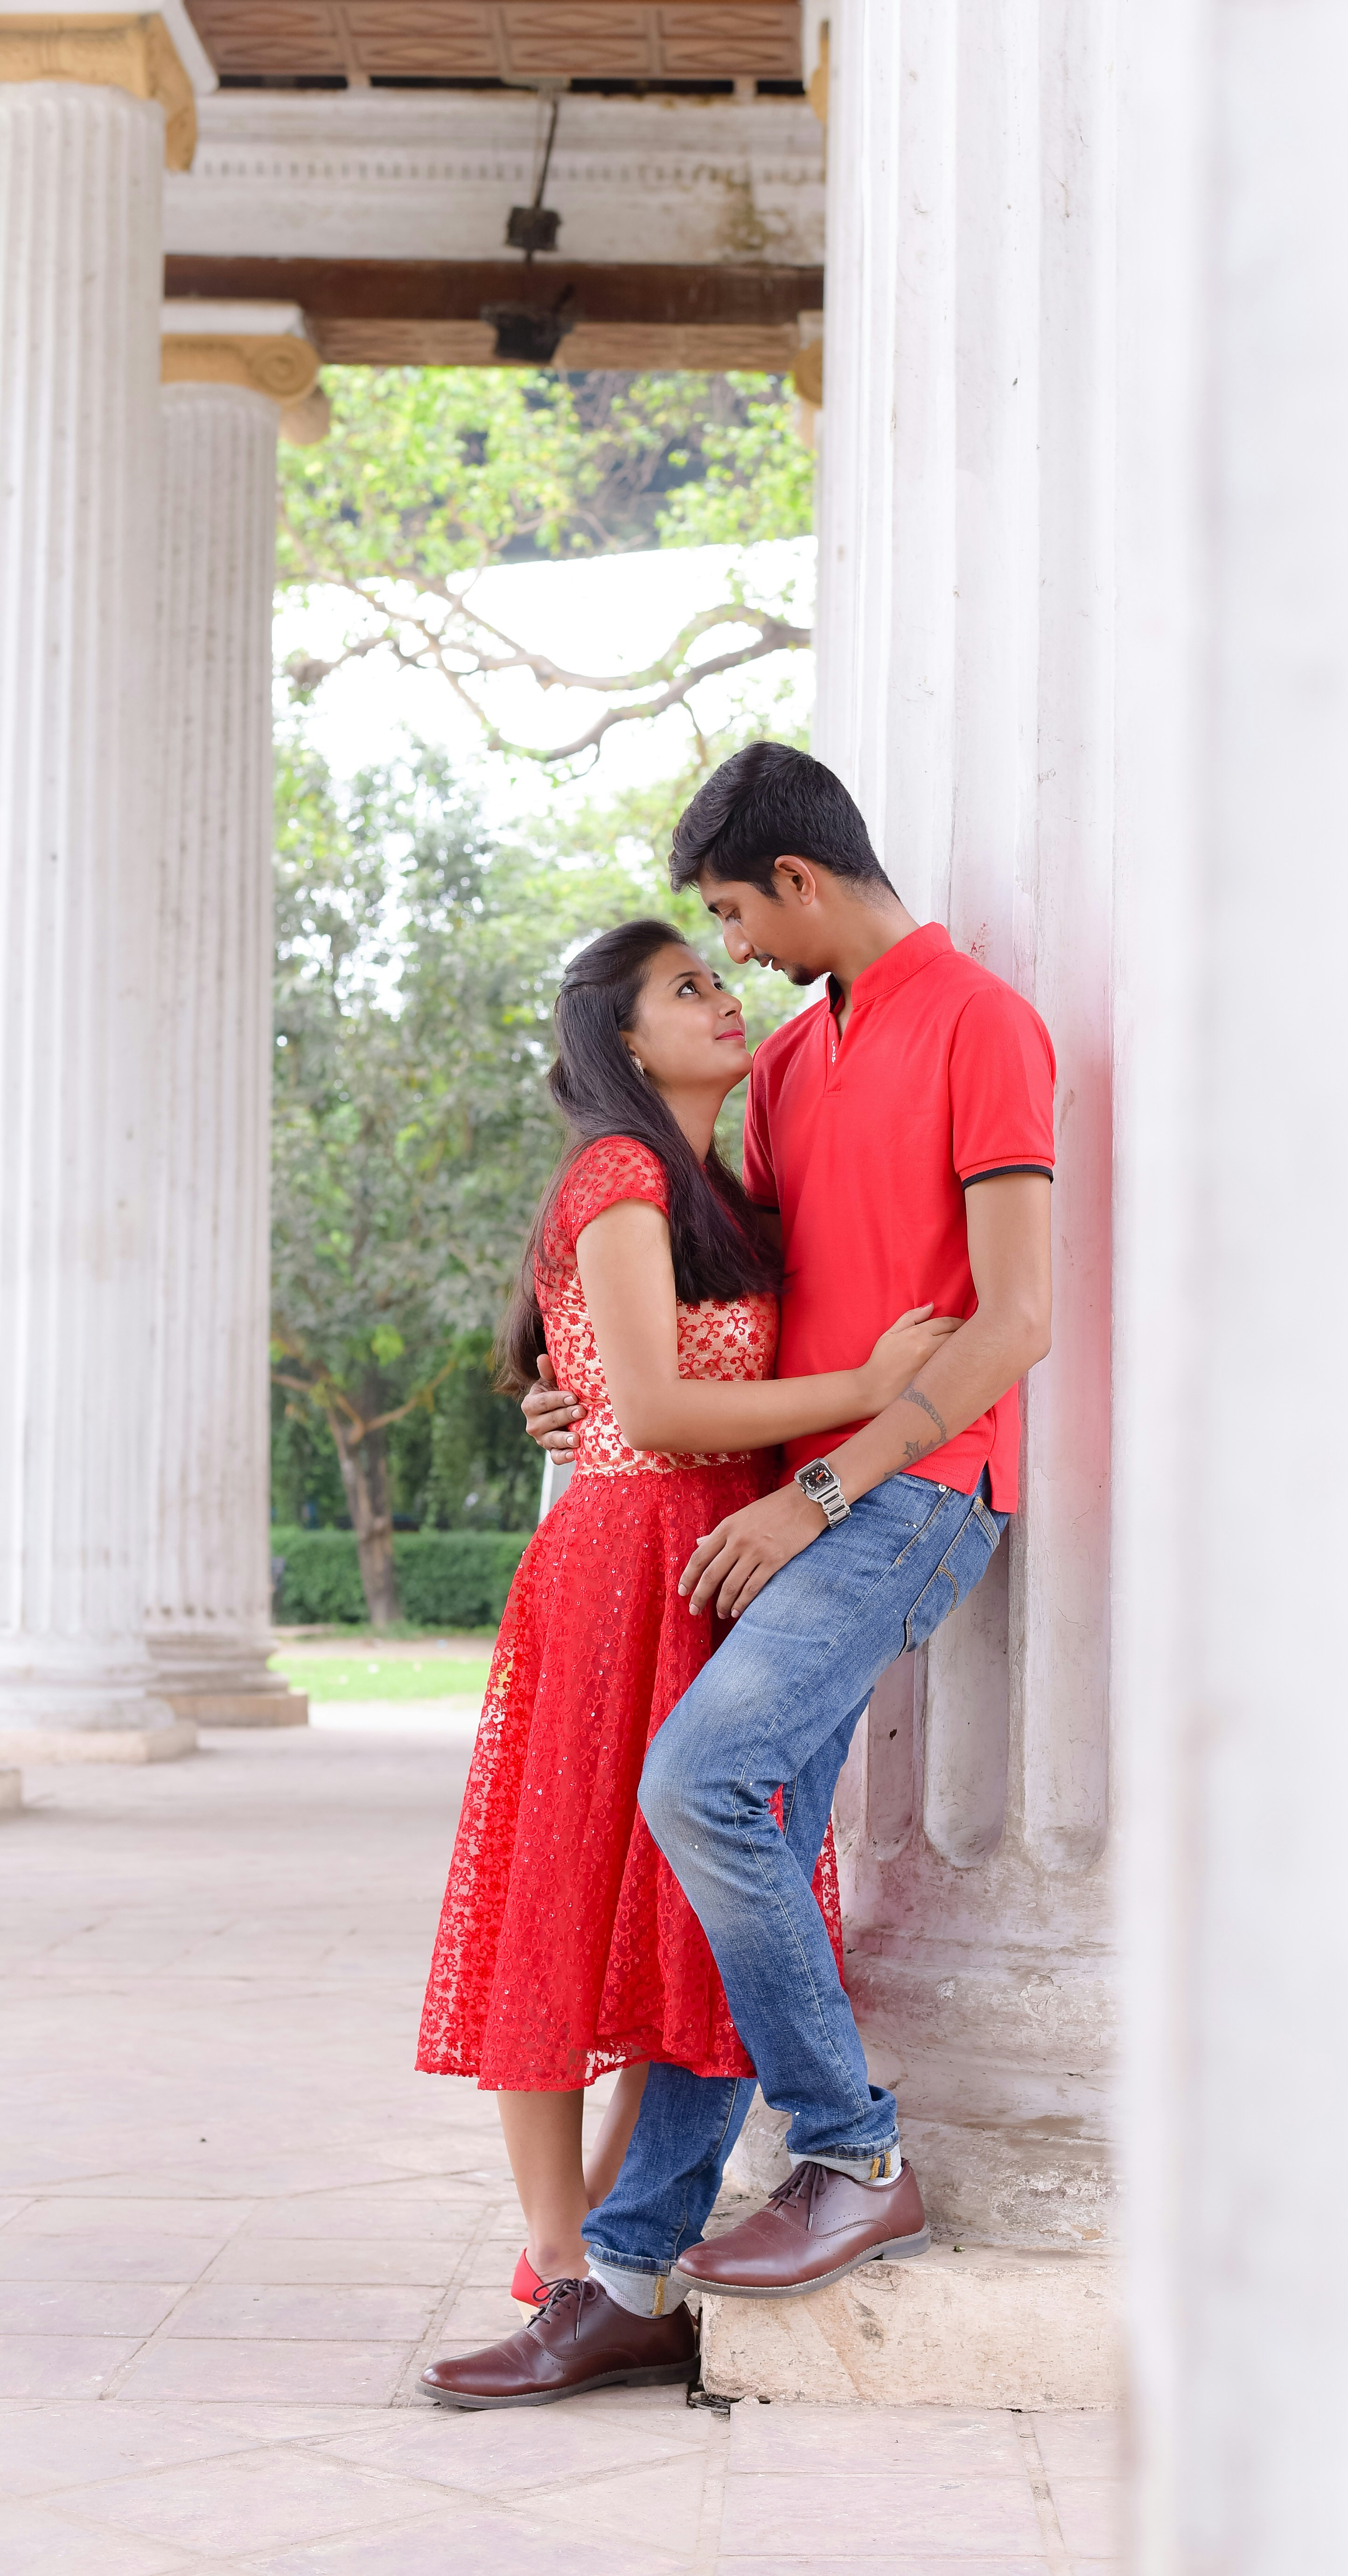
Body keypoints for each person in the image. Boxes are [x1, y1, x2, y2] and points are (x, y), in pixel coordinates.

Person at [425, 744, 1056, 2410]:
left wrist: (833, 1478)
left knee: (698, 1786)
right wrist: (580, 1380)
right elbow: (701, 1284)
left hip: (913, 1491)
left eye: (729, 917)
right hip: (783, 1512)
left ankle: (855, 2159)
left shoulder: (979, 1023)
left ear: (797, 878)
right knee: (735, 1861)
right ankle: (627, 2277)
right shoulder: (790, 1073)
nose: (739, 957)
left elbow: (1017, 1319)